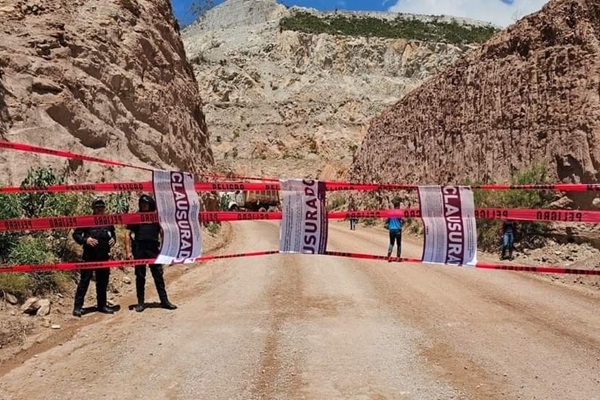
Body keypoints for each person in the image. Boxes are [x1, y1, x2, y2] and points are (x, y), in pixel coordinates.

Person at [125, 194, 177, 312]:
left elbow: (163, 232)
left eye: (146, 204)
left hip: (153, 249)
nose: (144, 206)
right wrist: (128, 252)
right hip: (139, 249)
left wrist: (164, 249)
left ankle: (164, 301)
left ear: (150, 204)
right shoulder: (136, 216)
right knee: (140, 276)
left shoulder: (156, 217)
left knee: (158, 275)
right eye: (142, 204)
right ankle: (140, 303)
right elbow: (127, 234)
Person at [72, 198, 116, 317]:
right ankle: (77, 307)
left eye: (101, 207)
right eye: (97, 207)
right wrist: (86, 240)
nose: (99, 209)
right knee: (84, 281)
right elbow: (75, 234)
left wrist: (113, 240)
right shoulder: (86, 220)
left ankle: (102, 305)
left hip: (103, 257)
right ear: (93, 208)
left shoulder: (108, 221)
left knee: (102, 282)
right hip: (89, 257)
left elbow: (113, 234)